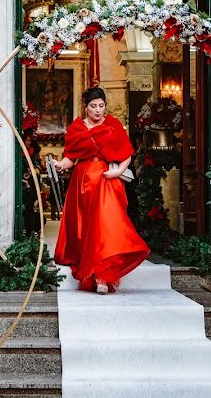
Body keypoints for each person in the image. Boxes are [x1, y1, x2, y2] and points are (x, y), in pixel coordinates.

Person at [52, 87, 150, 294]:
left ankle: (103, 277)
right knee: (86, 230)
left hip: (107, 180)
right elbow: (71, 157)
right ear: (85, 107)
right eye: (93, 106)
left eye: (101, 106)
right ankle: (93, 274)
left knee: (106, 227)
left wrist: (119, 172)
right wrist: (61, 164)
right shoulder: (76, 128)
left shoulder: (113, 125)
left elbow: (126, 155)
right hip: (83, 182)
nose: (98, 110)